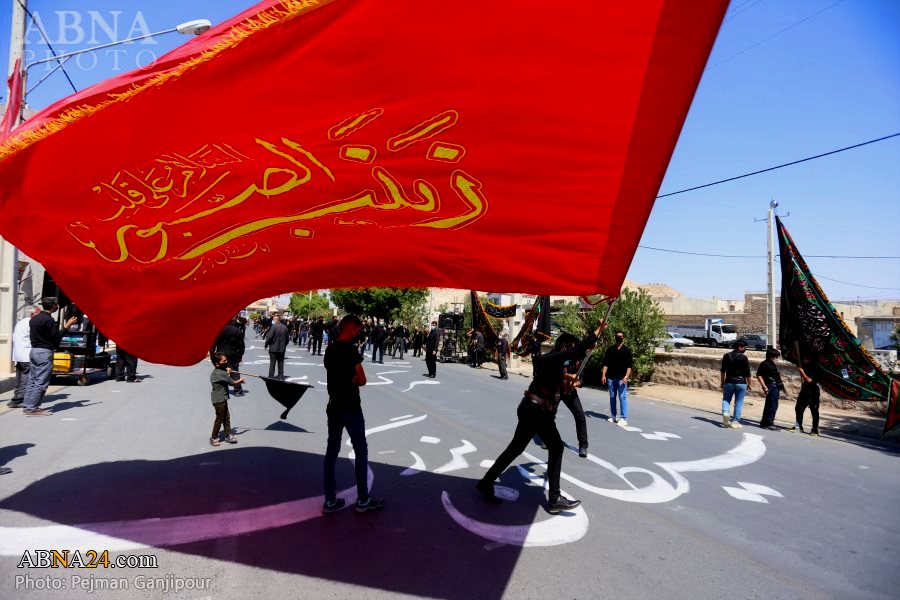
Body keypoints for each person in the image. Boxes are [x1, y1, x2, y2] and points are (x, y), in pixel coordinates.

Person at [476, 320, 606, 514]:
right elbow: (574, 353)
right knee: (556, 447)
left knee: (516, 448)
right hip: (537, 410)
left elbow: (569, 366)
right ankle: (554, 499)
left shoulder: (553, 363)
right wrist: (597, 332)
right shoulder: (552, 358)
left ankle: (486, 482)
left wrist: (574, 377)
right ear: (564, 348)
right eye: (569, 348)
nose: (571, 354)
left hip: (531, 409)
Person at [322, 315, 385, 514]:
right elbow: (362, 379)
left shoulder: (330, 349)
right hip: (350, 407)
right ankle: (363, 500)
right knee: (361, 450)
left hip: (333, 407)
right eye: (358, 329)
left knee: (332, 451)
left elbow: (331, 372)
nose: (359, 333)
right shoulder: (350, 350)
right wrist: (352, 380)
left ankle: (330, 501)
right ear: (350, 328)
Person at [22, 297, 78, 416]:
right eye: (56, 305)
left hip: (34, 351)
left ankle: (28, 406)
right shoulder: (48, 320)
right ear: (53, 306)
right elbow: (56, 337)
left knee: (32, 380)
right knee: (41, 381)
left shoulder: (34, 319)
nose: (57, 307)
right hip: (44, 352)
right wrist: (67, 326)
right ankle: (32, 408)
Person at [8, 306, 41, 408]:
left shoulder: (21, 323)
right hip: (26, 354)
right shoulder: (31, 323)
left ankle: (16, 396)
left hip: (19, 354)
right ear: (32, 314)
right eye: (38, 314)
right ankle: (18, 399)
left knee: (20, 377)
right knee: (26, 378)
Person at [209, 352, 244, 446]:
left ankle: (228, 435)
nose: (226, 362)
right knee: (219, 419)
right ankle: (213, 437)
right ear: (217, 364)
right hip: (219, 400)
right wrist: (240, 380)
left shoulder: (217, 372)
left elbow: (225, 376)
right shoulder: (221, 374)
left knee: (226, 417)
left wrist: (227, 372)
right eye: (224, 361)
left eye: (226, 360)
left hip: (221, 399)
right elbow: (232, 383)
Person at [601, 330, 633, 427]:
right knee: (612, 396)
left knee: (622, 397)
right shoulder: (610, 350)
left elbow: (629, 366)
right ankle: (613, 415)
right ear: (615, 337)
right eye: (617, 336)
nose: (619, 338)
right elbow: (606, 364)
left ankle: (623, 418)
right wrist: (603, 375)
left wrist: (626, 377)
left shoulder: (627, 351)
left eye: (621, 336)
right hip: (611, 377)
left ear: (623, 338)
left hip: (621, 378)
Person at [720, 340, 752, 429]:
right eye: (744, 347)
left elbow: (723, 371)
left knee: (726, 399)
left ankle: (725, 412)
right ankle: (735, 422)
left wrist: (722, 382)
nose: (745, 349)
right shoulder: (744, 358)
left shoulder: (726, 356)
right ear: (740, 347)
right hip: (741, 382)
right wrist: (750, 384)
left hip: (729, 381)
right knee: (739, 402)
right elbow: (748, 373)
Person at [212, 317, 246, 395]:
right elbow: (241, 345)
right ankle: (238, 390)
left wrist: (212, 351)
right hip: (233, 353)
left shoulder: (219, 328)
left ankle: (222, 389)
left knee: (221, 371)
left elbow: (214, 342)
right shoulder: (237, 330)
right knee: (234, 371)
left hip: (220, 353)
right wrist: (240, 355)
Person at [790, 354, 821, 436]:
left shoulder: (815, 368)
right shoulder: (803, 365)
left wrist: (802, 373)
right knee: (798, 408)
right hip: (804, 391)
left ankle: (814, 429)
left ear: (810, 359)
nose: (805, 360)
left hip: (813, 392)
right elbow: (794, 357)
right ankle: (798, 426)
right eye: (804, 359)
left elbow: (809, 380)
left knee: (814, 411)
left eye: (807, 359)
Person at [757, 348, 784, 430]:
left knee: (769, 404)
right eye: (776, 357)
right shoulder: (765, 364)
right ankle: (769, 423)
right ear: (770, 356)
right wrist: (764, 386)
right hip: (771, 386)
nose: (777, 359)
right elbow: (759, 375)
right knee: (772, 405)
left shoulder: (771, 364)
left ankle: (764, 423)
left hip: (775, 386)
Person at [265, 313, 289, 379]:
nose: (273, 321)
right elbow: (287, 339)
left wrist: (266, 344)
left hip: (273, 348)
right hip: (281, 348)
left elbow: (269, 337)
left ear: (276, 320)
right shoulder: (285, 327)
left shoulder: (273, 327)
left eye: (274, 319)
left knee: (272, 363)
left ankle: (271, 376)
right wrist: (284, 345)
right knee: (281, 362)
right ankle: (280, 375)